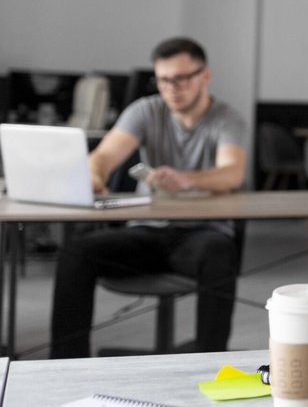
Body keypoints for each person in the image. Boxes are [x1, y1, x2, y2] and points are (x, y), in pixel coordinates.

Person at [50, 37, 248, 358]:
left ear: (205, 75)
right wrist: (96, 176)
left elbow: (231, 173)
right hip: (146, 233)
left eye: (182, 78)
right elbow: (103, 156)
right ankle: (65, 364)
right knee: (76, 254)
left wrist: (186, 181)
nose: (172, 87)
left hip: (201, 235)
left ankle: (211, 359)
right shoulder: (145, 110)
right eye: (163, 79)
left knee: (218, 252)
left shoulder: (227, 119)